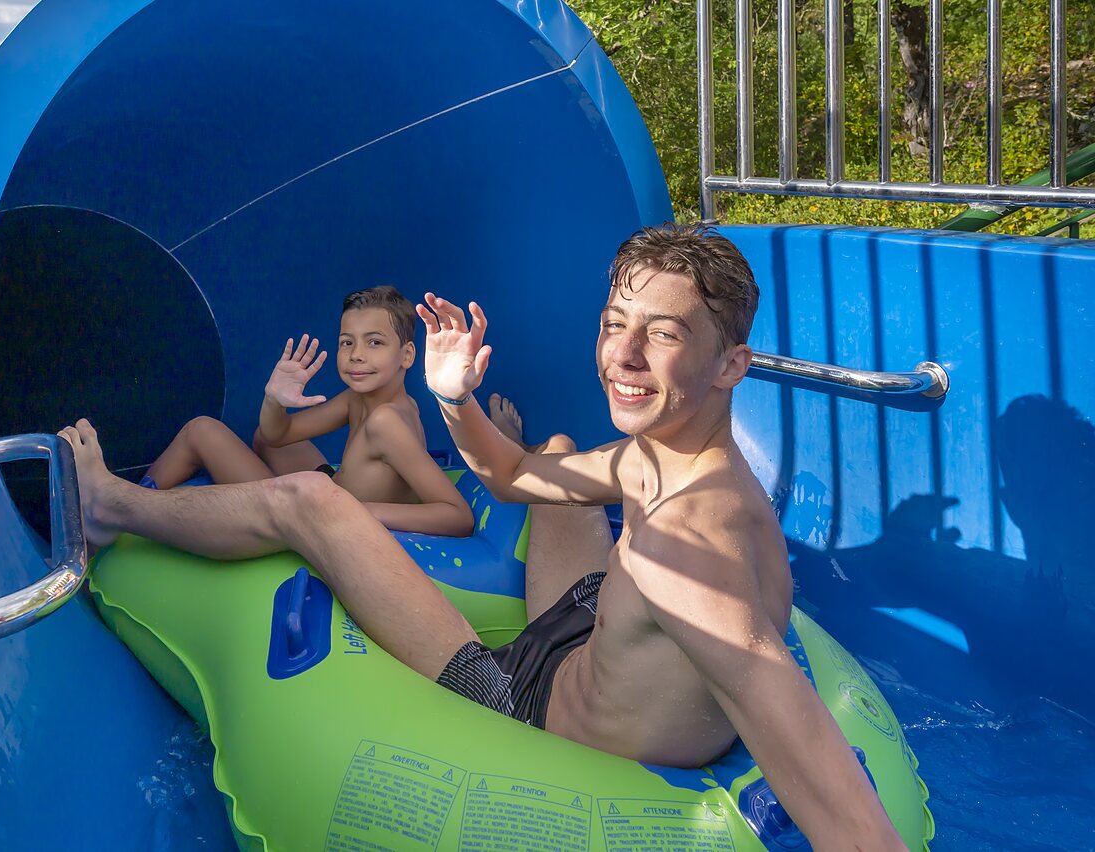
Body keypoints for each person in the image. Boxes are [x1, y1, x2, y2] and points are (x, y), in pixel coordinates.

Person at [60, 224, 903, 848]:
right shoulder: (659, 461)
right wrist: (454, 399)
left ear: (731, 366)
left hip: (525, 705)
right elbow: (512, 479)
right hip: (588, 632)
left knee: (312, 506)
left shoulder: (692, 552)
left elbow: (793, 729)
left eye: (666, 334)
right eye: (617, 323)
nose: (625, 356)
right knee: (563, 456)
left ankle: (112, 507)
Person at [138, 285, 473, 537]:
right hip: (333, 488)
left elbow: (458, 516)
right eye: (347, 342)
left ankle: (129, 504)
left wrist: (359, 511)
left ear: (407, 355)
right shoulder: (357, 400)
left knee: (201, 431)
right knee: (266, 440)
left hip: (317, 518)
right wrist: (274, 400)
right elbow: (276, 434)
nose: (356, 355)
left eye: (374, 342)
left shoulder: (388, 422)